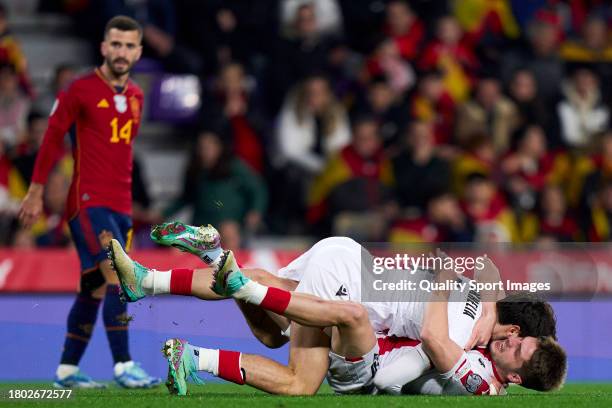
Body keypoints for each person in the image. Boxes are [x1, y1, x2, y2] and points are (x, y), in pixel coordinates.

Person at [108, 222, 562, 396]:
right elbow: (435, 341)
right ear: (514, 323)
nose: (511, 341)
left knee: (269, 321)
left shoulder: (479, 304)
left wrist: (478, 295)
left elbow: (485, 268)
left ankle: (147, 281)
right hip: (352, 289)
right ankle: (214, 260)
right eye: (518, 337)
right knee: (300, 382)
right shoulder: (467, 331)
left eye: (519, 348)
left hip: (347, 257)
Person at [18, 16, 160, 389]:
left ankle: (66, 370)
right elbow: (51, 138)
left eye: (129, 46)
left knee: (94, 287)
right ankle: (124, 365)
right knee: (120, 274)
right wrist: (35, 191)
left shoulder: (136, 96)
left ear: (139, 52)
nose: (122, 52)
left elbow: (121, 154)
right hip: (87, 201)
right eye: (116, 44)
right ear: (103, 46)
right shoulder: (80, 89)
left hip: (120, 207)